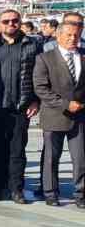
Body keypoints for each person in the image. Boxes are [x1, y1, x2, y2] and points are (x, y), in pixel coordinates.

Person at [0, 9, 38, 203]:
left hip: (20, 105)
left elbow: (39, 74)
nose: (11, 24)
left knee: (17, 150)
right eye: (6, 21)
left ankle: (16, 189)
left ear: (20, 22)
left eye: (15, 20)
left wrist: (35, 100)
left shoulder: (32, 44)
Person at [31, 16, 84, 207]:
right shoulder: (45, 58)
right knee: (51, 158)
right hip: (54, 115)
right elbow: (41, 88)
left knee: (80, 158)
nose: (72, 38)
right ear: (59, 36)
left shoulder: (83, 55)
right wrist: (65, 104)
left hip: (80, 116)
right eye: (68, 35)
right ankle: (51, 193)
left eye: (76, 35)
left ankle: (81, 194)